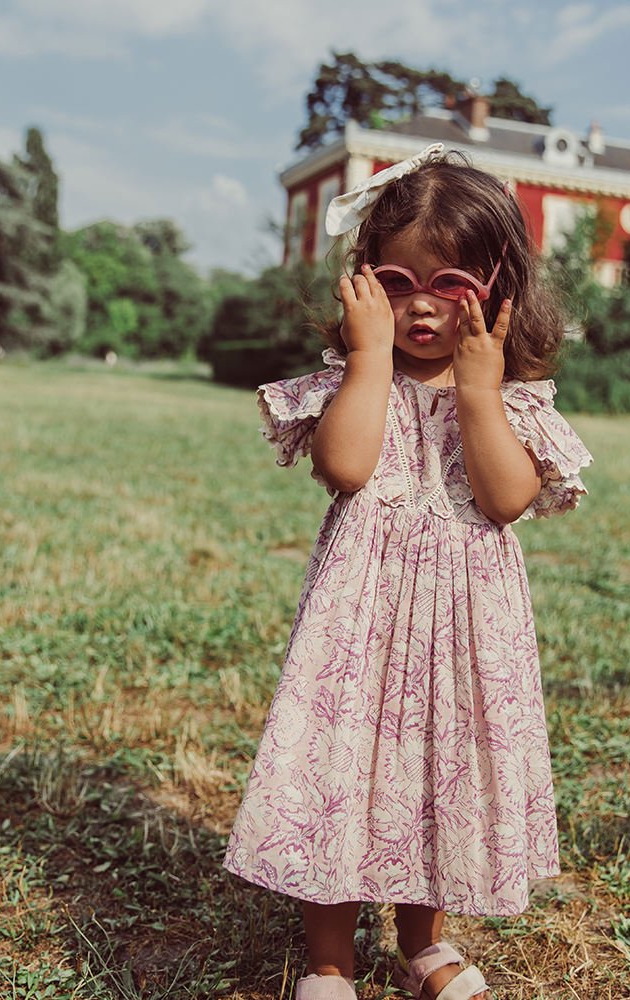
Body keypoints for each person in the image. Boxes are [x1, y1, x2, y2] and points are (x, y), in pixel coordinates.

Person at [224, 143, 593, 1000]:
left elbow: (504, 499)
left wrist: (476, 392)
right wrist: (368, 359)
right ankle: (329, 957)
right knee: (342, 769)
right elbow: (346, 468)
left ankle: (422, 944)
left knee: (440, 771)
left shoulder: (513, 396)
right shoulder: (359, 379)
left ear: (499, 285)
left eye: (452, 284)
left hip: (464, 629)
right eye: (397, 281)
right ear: (363, 283)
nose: (422, 307)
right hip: (359, 624)